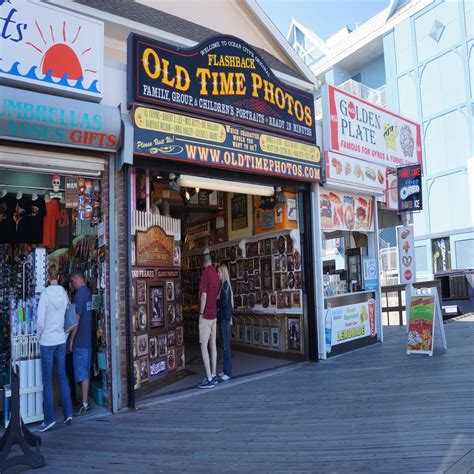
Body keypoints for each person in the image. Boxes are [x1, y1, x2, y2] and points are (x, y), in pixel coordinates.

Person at [36, 261, 73, 432]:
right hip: (60, 339)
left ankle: (49, 418)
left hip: (47, 341)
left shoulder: (44, 295)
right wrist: (65, 335)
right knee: (62, 376)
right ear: (58, 276)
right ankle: (68, 413)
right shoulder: (64, 293)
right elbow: (68, 317)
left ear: (47, 277)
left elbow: (40, 321)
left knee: (47, 380)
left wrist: (38, 336)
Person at [69, 268, 93, 416]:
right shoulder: (89, 293)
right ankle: (85, 402)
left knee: (82, 372)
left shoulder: (79, 295)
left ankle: (84, 404)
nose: (72, 284)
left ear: (77, 279)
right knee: (85, 371)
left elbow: (75, 320)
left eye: (72, 281)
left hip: (80, 340)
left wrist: (71, 340)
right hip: (88, 339)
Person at [197, 253, 220, 389]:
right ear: (211, 261)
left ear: (204, 263)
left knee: (203, 346)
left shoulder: (205, 273)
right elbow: (215, 293)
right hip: (214, 315)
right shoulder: (216, 274)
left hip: (206, 316)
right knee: (213, 345)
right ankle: (214, 374)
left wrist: (201, 312)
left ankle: (209, 378)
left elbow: (204, 295)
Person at [217, 264, 233, 381]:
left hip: (224, 318)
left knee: (226, 347)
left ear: (223, 273)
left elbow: (225, 304)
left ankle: (228, 372)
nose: (218, 274)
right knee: (224, 346)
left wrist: (216, 302)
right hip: (224, 318)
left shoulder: (225, 287)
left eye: (219, 272)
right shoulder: (224, 286)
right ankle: (225, 370)